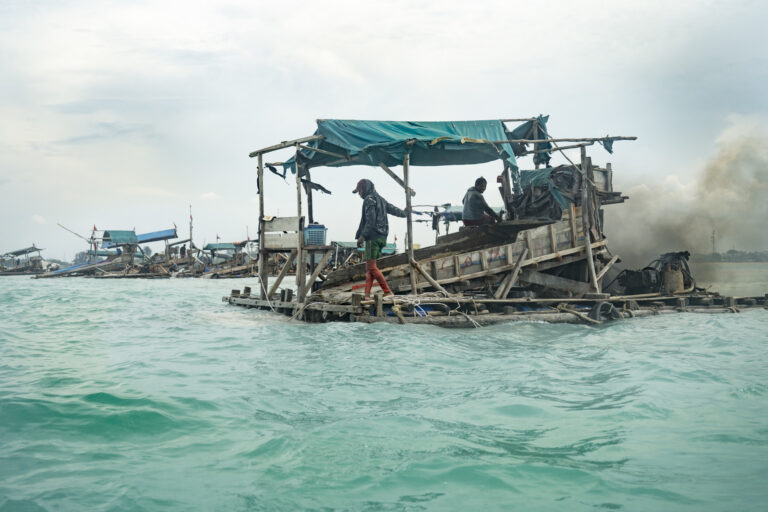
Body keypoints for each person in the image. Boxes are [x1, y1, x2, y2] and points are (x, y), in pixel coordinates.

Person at [353, 178, 408, 299]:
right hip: (382, 237)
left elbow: (370, 220)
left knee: (371, 267)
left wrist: (362, 236)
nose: (359, 194)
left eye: (360, 191)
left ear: (365, 189)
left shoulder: (369, 200)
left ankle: (387, 291)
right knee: (369, 268)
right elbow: (393, 209)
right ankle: (367, 295)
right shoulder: (380, 199)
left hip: (373, 237)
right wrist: (405, 213)